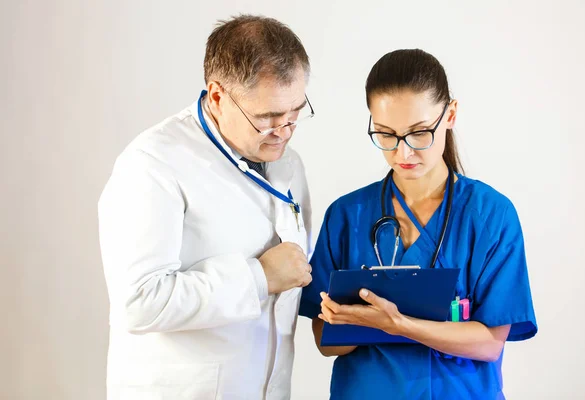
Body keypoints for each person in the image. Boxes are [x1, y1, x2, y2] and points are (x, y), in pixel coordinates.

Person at [299, 49, 537, 399]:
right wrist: (355, 323)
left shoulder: (490, 215)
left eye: (419, 133)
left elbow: (488, 343)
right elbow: (325, 340)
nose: (403, 153)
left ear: (450, 115)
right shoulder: (347, 214)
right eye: (386, 135)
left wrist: (398, 324)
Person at [98, 14, 314, 400]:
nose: (283, 131)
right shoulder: (153, 164)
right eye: (267, 118)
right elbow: (139, 302)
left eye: (295, 113)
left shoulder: (288, 163)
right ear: (217, 96)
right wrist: (258, 278)